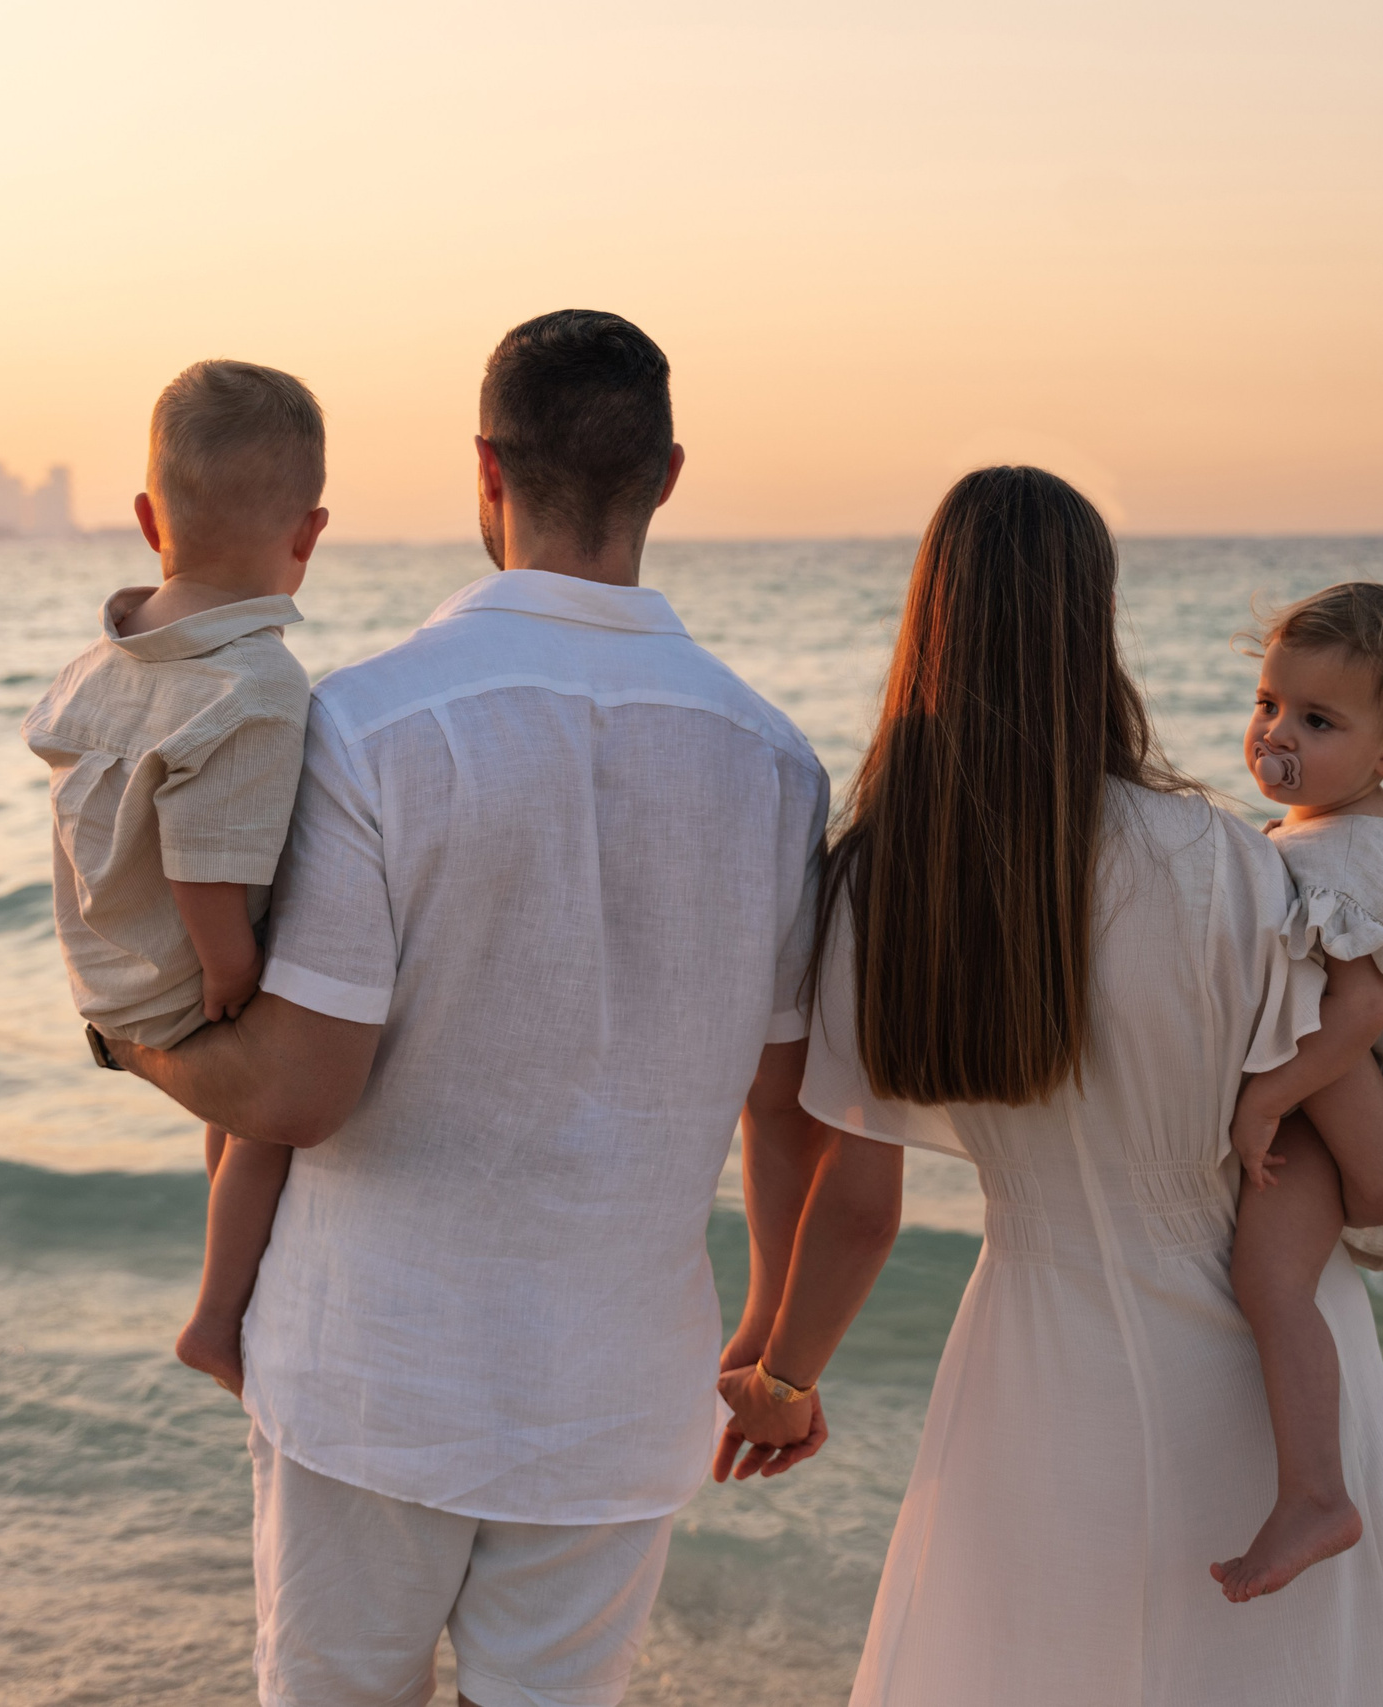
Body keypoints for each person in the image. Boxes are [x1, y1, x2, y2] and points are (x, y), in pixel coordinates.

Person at [101, 310, 841, 1707]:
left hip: (372, 1367)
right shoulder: (774, 760)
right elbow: (791, 1108)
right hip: (623, 1388)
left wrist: (137, 1036)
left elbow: (301, 1086)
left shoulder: (368, 722)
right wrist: (769, 1346)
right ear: (667, 475)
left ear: (484, 472)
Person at [765, 466, 1383, 1705]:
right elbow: (1381, 1181)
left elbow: (856, 1205)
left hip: (1036, 1374)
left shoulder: (878, 880)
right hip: (1258, 1377)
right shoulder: (1223, 863)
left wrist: (779, 1378)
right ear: (1093, 622)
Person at [24, 358, 328, 1396]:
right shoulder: (254, 684)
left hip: (109, 968)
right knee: (269, 1119)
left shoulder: (97, 665)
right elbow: (208, 871)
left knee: (232, 1124)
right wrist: (232, 976)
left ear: (151, 517)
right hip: (183, 973)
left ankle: (223, 1273)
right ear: (309, 535)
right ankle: (216, 1317)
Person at [1214, 582, 1383, 1602]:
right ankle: (1313, 1493)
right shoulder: (1318, 832)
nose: (1275, 734)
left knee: (1271, 1287)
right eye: (1267, 703)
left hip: (1351, 1099)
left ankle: (1316, 1495)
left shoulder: (1346, 856)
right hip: (1338, 1109)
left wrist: (1263, 1101)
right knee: (1265, 1282)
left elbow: (1362, 1013)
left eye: (1317, 721)